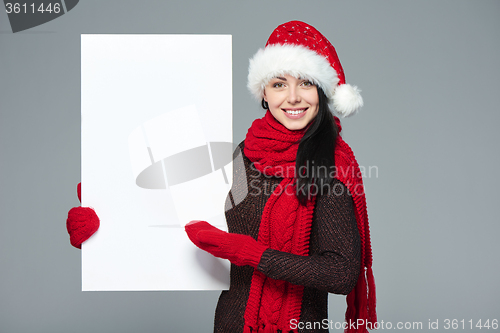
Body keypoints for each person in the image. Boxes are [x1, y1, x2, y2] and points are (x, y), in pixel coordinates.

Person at [67, 21, 376, 333]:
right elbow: (202, 227)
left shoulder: (332, 166)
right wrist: (108, 228)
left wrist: (251, 253)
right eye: (279, 84)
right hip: (229, 324)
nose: (292, 97)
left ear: (323, 92)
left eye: (306, 83)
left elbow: (341, 273)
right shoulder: (245, 153)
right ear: (265, 93)